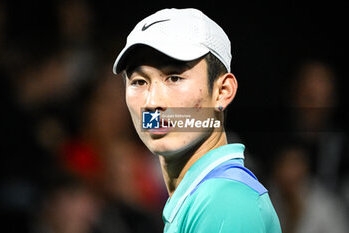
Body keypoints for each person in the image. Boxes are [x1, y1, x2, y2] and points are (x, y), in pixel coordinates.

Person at [112, 8, 282, 232]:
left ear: (222, 91)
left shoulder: (225, 202)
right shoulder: (204, 198)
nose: (152, 103)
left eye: (174, 77)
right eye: (139, 82)